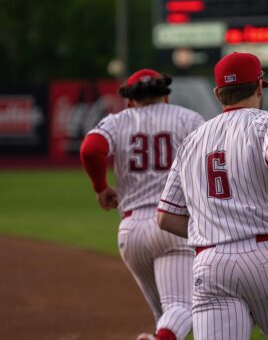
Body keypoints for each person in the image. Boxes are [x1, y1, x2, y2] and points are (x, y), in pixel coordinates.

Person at [157, 52, 268, 340]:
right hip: (266, 254)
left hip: (210, 263)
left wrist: (213, 232)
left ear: (218, 94)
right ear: (258, 87)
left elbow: (166, 218)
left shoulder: (192, 139)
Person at [80, 69, 204, 340]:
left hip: (131, 231)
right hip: (174, 225)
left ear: (130, 100)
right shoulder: (187, 118)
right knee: (184, 308)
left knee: (166, 318)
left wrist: (101, 188)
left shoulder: (118, 121)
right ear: (166, 96)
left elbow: (90, 149)